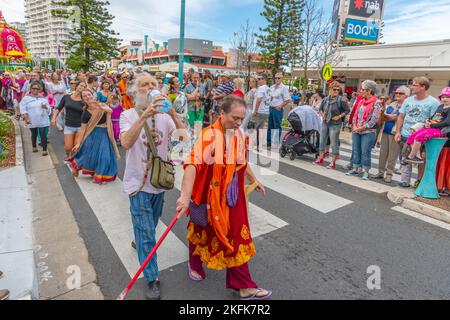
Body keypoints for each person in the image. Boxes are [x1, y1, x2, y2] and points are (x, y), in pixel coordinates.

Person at [176, 95, 272, 300]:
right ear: (221, 114)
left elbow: (242, 162)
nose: (238, 123)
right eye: (234, 118)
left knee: (237, 235)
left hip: (232, 195)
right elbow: (192, 164)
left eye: (241, 118)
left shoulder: (238, 134)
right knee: (201, 229)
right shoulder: (209, 135)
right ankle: (194, 263)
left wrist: (254, 180)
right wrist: (185, 197)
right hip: (208, 195)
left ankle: (243, 285)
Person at [120, 73, 186, 300]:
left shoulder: (166, 117)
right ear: (135, 92)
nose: (150, 88)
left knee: (152, 223)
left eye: (153, 85)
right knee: (148, 232)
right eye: (144, 85)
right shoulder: (128, 115)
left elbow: (185, 140)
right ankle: (152, 279)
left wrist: (172, 112)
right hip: (137, 184)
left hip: (159, 182)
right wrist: (144, 116)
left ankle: (140, 240)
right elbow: (126, 143)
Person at [394, 77, 440, 188]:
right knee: (404, 157)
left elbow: (436, 120)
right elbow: (401, 117)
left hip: (421, 137)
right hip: (405, 134)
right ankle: (405, 180)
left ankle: (419, 181)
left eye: (415, 85)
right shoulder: (408, 100)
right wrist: (398, 132)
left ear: (423, 87)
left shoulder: (433, 102)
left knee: (421, 159)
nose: (412, 87)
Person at [69, 90, 120, 184]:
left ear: (93, 95)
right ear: (83, 99)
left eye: (89, 94)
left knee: (104, 156)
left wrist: (109, 111)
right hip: (92, 134)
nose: (88, 97)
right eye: (85, 96)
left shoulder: (102, 105)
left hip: (105, 133)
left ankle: (100, 176)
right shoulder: (85, 113)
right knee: (88, 154)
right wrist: (78, 143)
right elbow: (83, 129)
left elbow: (111, 111)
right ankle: (76, 167)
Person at [372, 86, 410, 183]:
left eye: (400, 93)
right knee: (383, 154)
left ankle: (389, 174)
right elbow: (384, 117)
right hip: (386, 131)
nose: (397, 95)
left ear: (406, 95)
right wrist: (385, 114)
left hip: (396, 133)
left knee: (392, 156)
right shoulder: (392, 104)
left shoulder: (407, 106)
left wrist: (387, 116)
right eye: (396, 93)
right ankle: (380, 172)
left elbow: (395, 118)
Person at [346, 80, 382, 180]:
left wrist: (361, 128)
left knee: (365, 152)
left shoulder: (377, 103)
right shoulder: (361, 101)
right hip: (356, 130)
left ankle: (365, 171)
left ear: (369, 91)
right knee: (356, 150)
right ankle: (355, 168)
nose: (360, 91)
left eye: (362, 89)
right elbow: (355, 115)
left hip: (368, 132)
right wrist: (354, 126)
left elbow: (374, 120)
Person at [405, 87, 450, 164]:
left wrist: (432, 125)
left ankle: (411, 156)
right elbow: (433, 117)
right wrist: (428, 120)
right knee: (411, 137)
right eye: (443, 97)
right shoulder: (440, 106)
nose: (444, 99)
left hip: (440, 130)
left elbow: (447, 122)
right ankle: (418, 157)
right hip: (430, 127)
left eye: (447, 97)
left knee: (419, 137)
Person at [313, 82, 349, 169]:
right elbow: (320, 109)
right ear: (330, 90)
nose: (336, 91)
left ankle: (333, 162)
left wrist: (339, 116)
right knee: (322, 141)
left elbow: (347, 110)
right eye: (334, 89)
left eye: (338, 89)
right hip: (325, 122)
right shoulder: (325, 99)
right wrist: (322, 115)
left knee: (334, 143)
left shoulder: (341, 100)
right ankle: (320, 158)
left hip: (335, 124)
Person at [51, 82, 87, 158]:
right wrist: (54, 118)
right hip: (68, 125)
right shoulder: (66, 97)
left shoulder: (84, 101)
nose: (82, 87)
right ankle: (67, 154)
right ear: (77, 86)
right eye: (81, 85)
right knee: (68, 147)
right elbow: (58, 108)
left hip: (80, 126)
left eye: (84, 86)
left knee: (76, 147)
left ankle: (73, 161)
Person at [19, 81, 51, 156]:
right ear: (30, 89)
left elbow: (49, 109)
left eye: (37, 89)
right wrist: (26, 117)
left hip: (42, 119)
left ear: (39, 90)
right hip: (32, 119)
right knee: (34, 133)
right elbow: (22, 108)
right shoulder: (26, 98)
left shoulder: (42, 98)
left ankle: (44, 150)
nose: (35, 90)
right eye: (33, 88)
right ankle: (34, 146)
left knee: (43, 134)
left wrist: (45, 107)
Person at [267, 72, 291, 149]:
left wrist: (280, 106)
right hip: (270, 108)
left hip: (277, 110)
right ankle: (269, 143)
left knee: (277, 126)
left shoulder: (283, 88)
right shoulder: (272, 87)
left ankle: (276, 143)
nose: (277, 79)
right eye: (276, 78)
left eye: (279, 78)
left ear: (282, 78)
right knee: (270, 126)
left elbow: (288, 100)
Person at [252, 74, 270, 152]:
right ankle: (260, 147)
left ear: (264, 79)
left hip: (259, 112)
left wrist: (255, 110)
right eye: (257, 79)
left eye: (260, 79)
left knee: (251, 128)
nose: (258, 81)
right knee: (261, 130)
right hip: (265, 112)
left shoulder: (261, 88)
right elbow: (270, 98)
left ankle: (250, 146)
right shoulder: (268, 89)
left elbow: (259, 99)